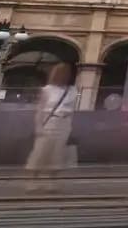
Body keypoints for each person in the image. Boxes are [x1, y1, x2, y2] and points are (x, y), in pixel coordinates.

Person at [25, 63, 76, 194]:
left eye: (67, 73)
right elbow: (40, 110)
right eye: (62, 72)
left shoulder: (72, 90)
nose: (65, 75)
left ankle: (51, 182)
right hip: (49, 122)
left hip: (64, 124)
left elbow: (72, 110)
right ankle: (32, 181)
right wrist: (39, 127)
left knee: (57, 155)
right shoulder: (47, 90)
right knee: (40, 153)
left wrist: (70, 127)